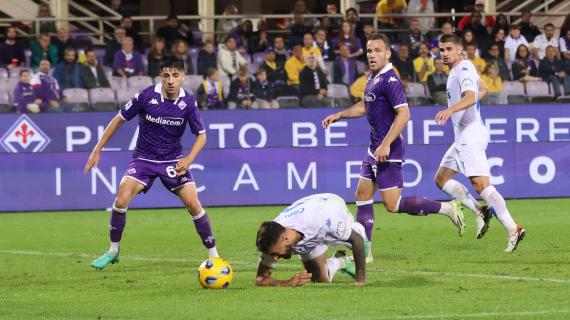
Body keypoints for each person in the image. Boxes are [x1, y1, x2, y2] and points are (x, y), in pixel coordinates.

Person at [322, 33, 465, 261]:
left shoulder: (390, 80)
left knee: (392, 204)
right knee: (362, 194)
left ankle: (447, 208)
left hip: (388, 150)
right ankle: (365, 250)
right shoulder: (373, 77)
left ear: (387, 53)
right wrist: (340, 115)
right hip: (374, 149)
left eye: (377, 50)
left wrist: (386, 144)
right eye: (369, 50)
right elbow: (365, 106)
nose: (371, 54)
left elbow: (404, 114)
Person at [85, 56, 219, 270]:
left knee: (194, 204)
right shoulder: (146, 96)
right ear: (161, 76)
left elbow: (201, 135)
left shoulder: (189, 102)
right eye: (166, 75)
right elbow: (118, 119)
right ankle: (113, 251)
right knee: (121, 200)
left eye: (175, 75)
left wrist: (188, 159)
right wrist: (97, 149)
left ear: (183, 76)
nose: (171, 80)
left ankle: (214, 255)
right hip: (144, 160)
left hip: (173, 161)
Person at [435, 33, 525, 251]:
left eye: (448, 49)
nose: (444, 54)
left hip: (470, 135)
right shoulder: (462, 69)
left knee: (481, 185)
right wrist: (464, 108)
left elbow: (472, 96)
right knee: (441, 178)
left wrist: (450, 109)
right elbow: (483, 88)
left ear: (459, 50)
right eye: (441, 50)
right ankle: (480, 210)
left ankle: (513, 228)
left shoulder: (463, 69)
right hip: (462, 136)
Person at [255, 193, 367, 286]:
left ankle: (357, 228)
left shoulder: (319, 221)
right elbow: (260, 278)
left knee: (358, 245)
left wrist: (360, 280)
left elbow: (357, 240)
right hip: (310, 232)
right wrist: (288, 282)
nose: (274, 258)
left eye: (275, 253)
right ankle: (341, 260)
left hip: (332, 209)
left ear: (286, 239)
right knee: (320, 281)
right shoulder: (271, 237)